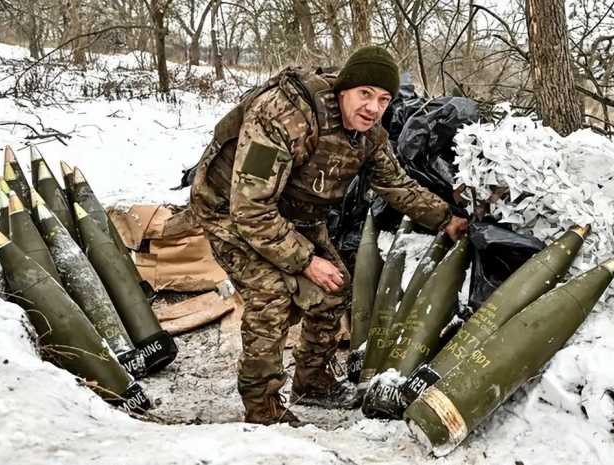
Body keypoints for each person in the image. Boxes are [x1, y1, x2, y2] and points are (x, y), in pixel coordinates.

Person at [190, 46, 469, 425]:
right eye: (365, 94)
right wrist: (306, 261)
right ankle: (263, 408)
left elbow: (395, 184)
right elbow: (250, 209)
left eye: (384, 99)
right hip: (228, 210)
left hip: (293, 212)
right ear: (344, 89)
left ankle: (312, 381)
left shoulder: (369, 136)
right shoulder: (283, 115)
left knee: (335, 287)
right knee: (271, 293)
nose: (373, 108)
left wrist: (445, 219)